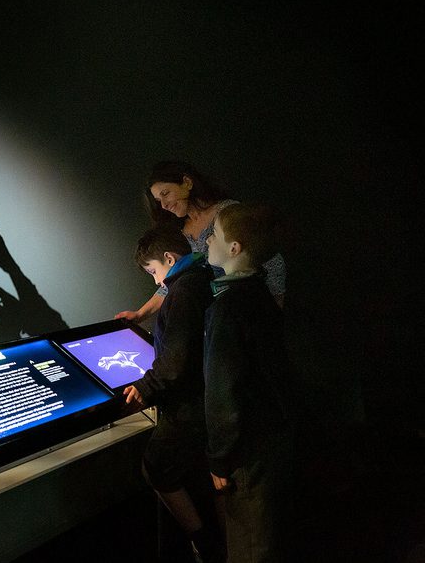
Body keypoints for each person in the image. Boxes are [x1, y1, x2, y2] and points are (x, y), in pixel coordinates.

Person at [123, 226, 225, 563]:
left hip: (190, 403)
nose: (155, 281)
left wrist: (146, 387)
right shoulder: (203, 276)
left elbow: (177, 357)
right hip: (206, 396)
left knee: (157, 466)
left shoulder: (183, 291)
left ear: (169, 259)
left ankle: (204, 541)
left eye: (154, 271)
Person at [203, 203, 295, 563]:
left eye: (214, 234)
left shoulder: (227, 308)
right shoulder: (260, 295)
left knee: (249, 541)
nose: (207, 240)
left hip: (247, 447)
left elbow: (223, 391)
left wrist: (219, 457)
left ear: (234, 248)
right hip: (273, 437)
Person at [116, 161, 286, 322]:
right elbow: (175, 278)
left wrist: (274, 309)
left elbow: (272, 262)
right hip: (217, 314)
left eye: (165, 194)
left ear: (187, 182)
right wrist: (140, 314)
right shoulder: (181, 232)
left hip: (248, 309)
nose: (164, 205)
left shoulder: (226, 214)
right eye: (159, 201)